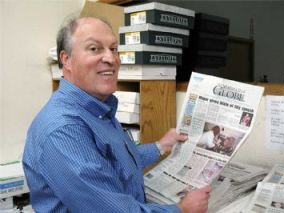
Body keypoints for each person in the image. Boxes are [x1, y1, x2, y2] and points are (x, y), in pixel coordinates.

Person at [22, 16, 212, 213]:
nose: (111, 58)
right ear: (66, 59)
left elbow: (114, 161)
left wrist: (160, 146)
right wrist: (183, 209)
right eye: (94, 48)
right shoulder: (64, 130)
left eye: (113, 49)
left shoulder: (97, 108)